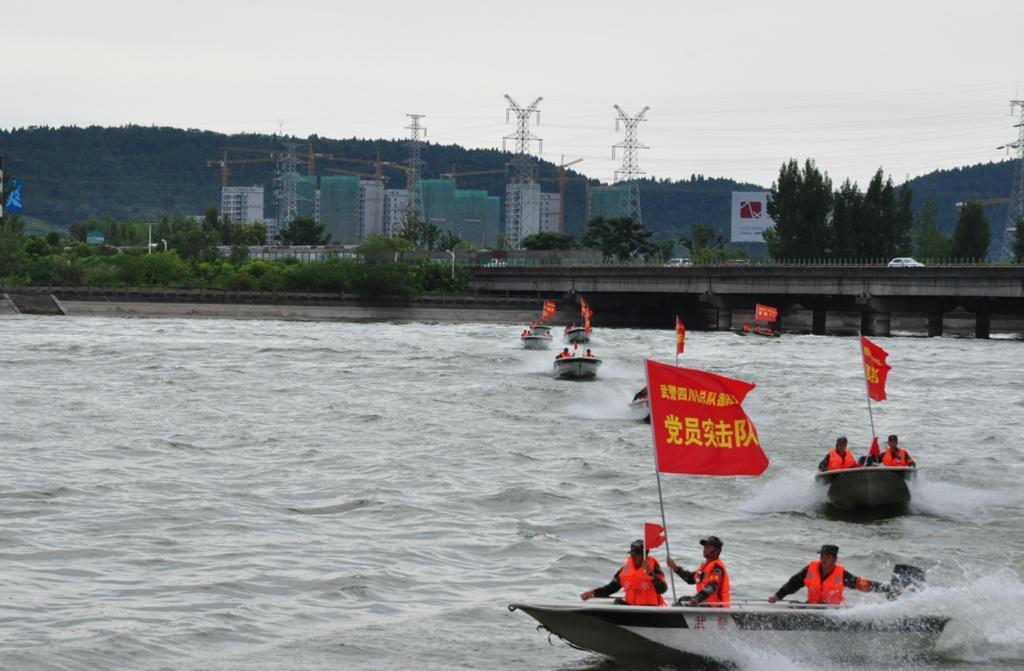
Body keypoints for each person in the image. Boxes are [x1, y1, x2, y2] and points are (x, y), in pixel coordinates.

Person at [767, 544, 895, 605]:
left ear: (834, 559)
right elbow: (793, 584)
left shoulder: (842, 575)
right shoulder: (809, 570)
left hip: (832, 611)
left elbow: (862, 584)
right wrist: (778, 596)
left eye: (827, 556)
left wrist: (887, 588)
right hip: (812, 608)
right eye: (822, 555)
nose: (823, 558)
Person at [580, 539, 667, 606]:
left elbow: (663, 589)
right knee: (617, 602)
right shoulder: (625, 570)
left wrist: (651, 574)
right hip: (630, 606)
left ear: (644, 556)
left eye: (636, 555)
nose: (632, 557)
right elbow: (611, 588)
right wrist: (593, 593)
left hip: (649, 608)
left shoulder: (654, 568)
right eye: (631, 555)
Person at [667, 535, 730, 607]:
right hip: (706, 603)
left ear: (717, 551)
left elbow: (712, 586)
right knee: (682, 599)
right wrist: (675, 567)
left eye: (708, 547)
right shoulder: (705, 567)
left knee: (680, 605)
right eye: (705, 547)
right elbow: (690, 579)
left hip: (716, 606)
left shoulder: (717, 568)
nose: (705, 549)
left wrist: (697, 599)